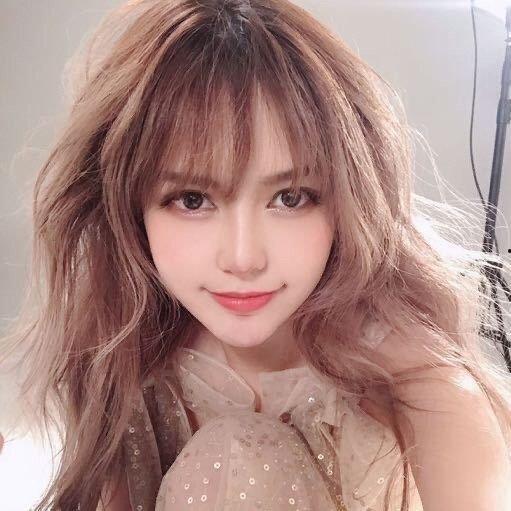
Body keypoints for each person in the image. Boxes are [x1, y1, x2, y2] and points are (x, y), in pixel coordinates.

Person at [1, 1, 510, 510]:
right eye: (192, 200)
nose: (243, 258)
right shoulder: (120, 353)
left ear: (346, 200)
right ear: (130, 208)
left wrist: (437, 387)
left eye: (290, 198)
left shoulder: (412, 372)